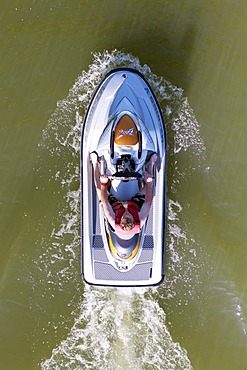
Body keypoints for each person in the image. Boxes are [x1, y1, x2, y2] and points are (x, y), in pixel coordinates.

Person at [90, 152, 158, 237]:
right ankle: (150, 165)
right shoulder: (140, 219)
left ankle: (95, 164)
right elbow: (148, 202)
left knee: (98, 188)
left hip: (116, 208)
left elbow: (105, 202)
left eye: (124, 216)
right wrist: (148, 182)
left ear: (120, 220)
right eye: (128, 215)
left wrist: (103, 183)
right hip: (134, 206)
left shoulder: (113, 220)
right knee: (150, 186)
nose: (126, 213)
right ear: (134, 219)